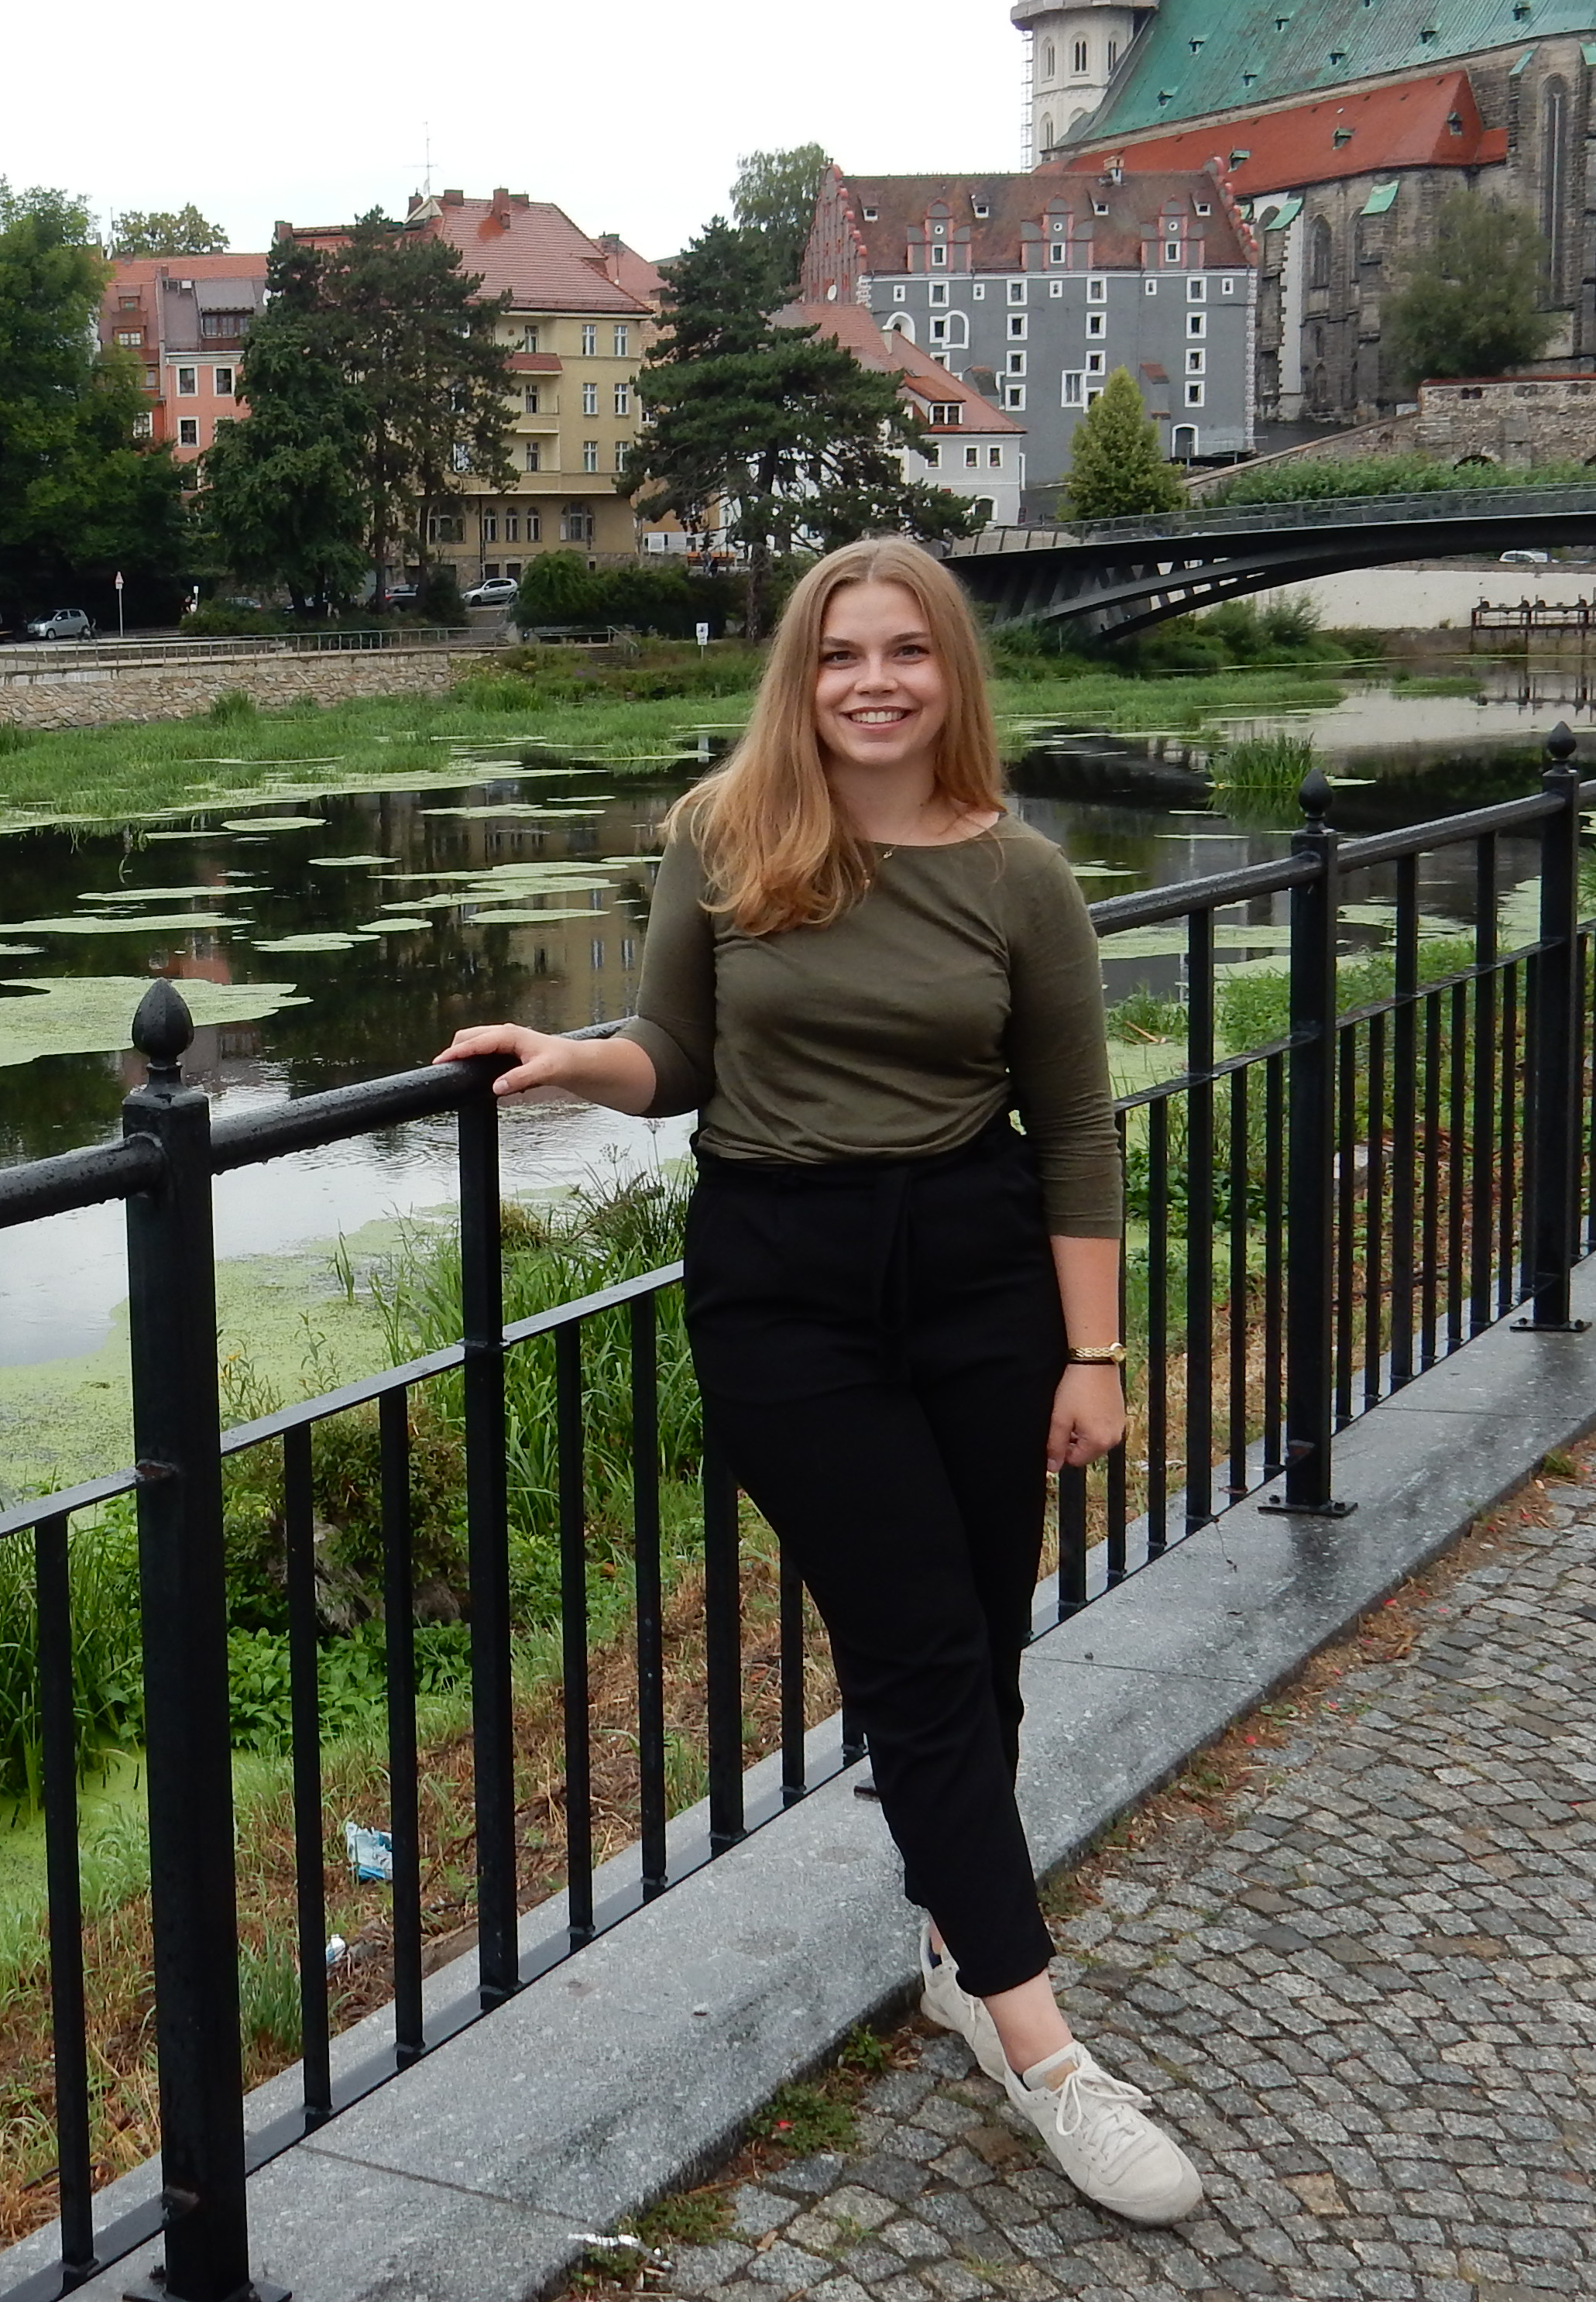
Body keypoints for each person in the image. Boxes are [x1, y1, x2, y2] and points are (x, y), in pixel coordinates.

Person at [436, 535, 1205, 2228]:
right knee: (926, 1649)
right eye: (842, 653)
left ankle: (951, 1949)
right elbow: (678, 1056)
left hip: (983, 1274)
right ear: (803, 674)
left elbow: (1074, 1128)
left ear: (951, 676)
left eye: (905, 654)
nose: (872, 681)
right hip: (786, 1288)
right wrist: (573, 1059)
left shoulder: (1021, 879)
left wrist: (1098, 1351)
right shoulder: (727, 834)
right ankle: (1046, 2050)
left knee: (979, 1636)